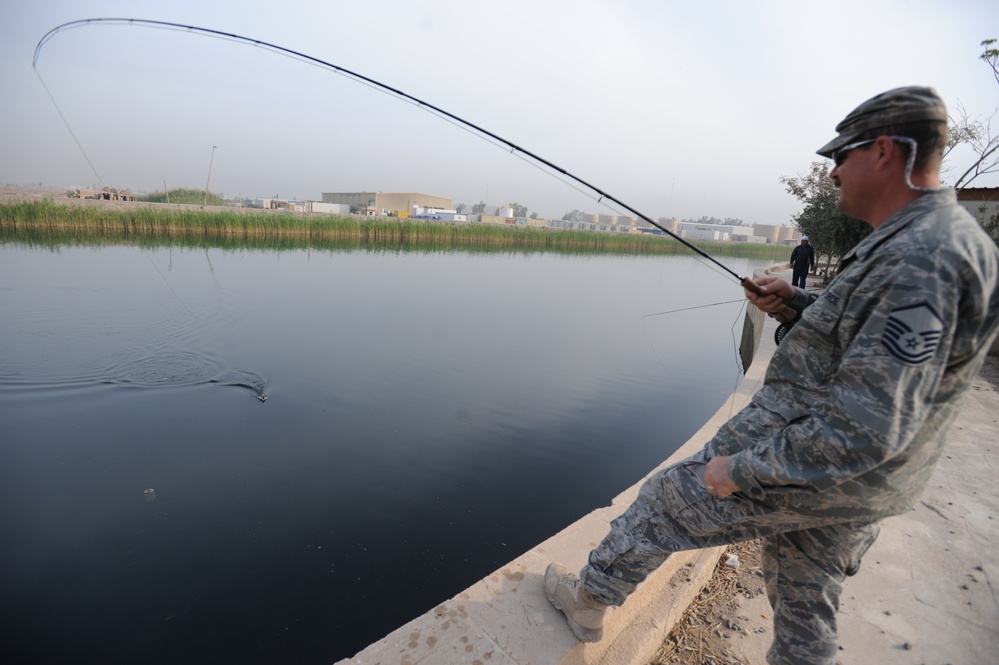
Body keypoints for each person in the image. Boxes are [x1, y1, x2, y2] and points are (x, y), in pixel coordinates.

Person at [544, 86, 999, 665]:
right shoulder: (921, 243)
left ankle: (588, 600)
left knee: (663, 500)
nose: (833, 173)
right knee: (807, 598)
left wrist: (740, 469)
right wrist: (797, 304)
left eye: (841, 157)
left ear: (883, 151)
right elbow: (867, 339)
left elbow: (866, 431)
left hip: (822, 471)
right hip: (855, 489)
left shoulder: (926, 257)